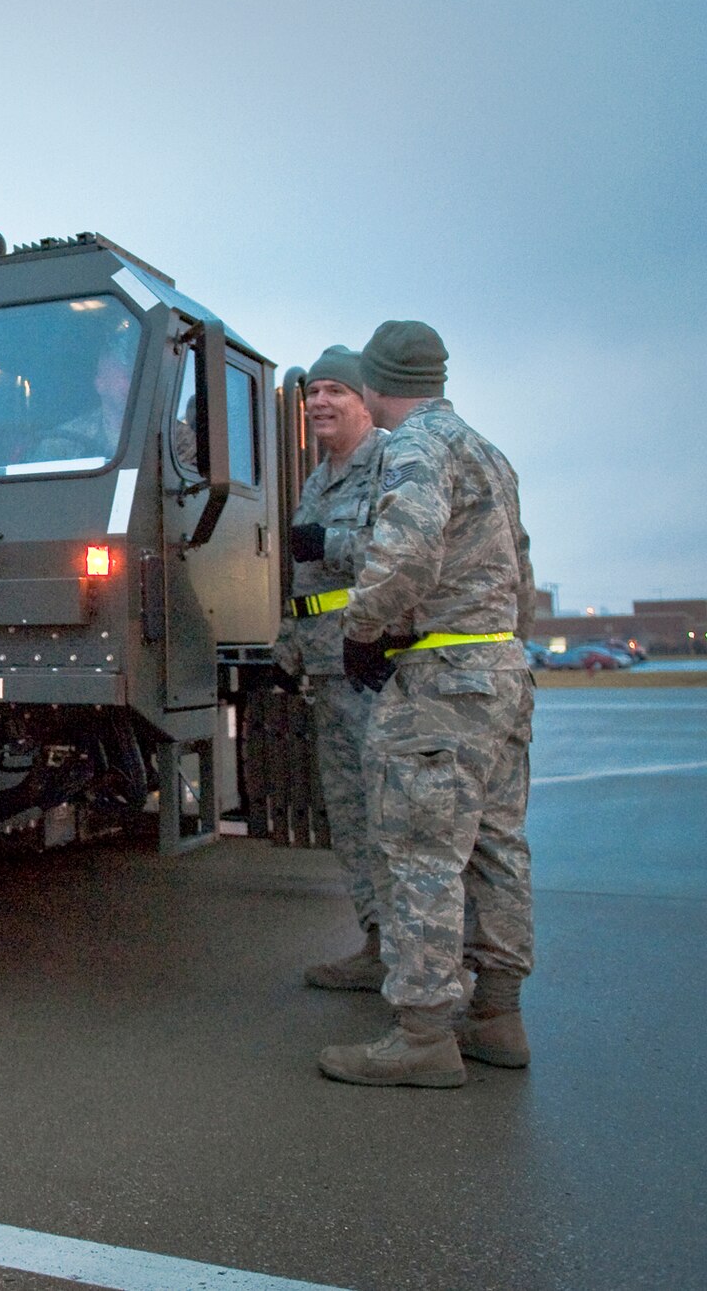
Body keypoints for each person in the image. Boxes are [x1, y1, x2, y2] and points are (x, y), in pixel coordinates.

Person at [317, 320, 536, 1089]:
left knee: (418, 852)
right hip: (501, 668)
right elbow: (524, 566)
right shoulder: (488, 452)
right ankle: (498, 1014)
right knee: (496, 846)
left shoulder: (414, 449)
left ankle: (421, 1032)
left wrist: (363, 629)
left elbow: (405, 551)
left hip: (438, 675)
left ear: (376, 384)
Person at [273, 347, 390, 991]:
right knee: (349, 819)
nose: (318, 402)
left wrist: (334, 543)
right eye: (312, 392)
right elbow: (306, 582)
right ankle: (376, 943)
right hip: (325, 672)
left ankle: (423, 959)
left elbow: (412, 551)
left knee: (393, 817)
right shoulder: (317, 480)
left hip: (375, 670)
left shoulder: (392, 465)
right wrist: (286, 651)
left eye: (334, 392)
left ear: (365, 400)